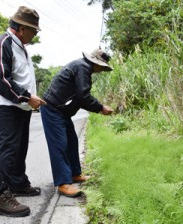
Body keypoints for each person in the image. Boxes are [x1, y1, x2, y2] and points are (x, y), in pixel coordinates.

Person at [0, 6, 46, 217]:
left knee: (19, 148)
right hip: (6, 106)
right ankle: (1, 196)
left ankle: (18, 184)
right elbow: (2, 80)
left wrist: (28, 101)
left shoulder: (20, 47)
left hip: (20, 106)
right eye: (33, 30)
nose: (35, 34)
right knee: (8, 149)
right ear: (21, 28)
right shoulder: (1, 44)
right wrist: (27, 97)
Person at [40, 48, 113, 197]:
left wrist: (98, 108)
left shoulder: (83, 67)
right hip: (52, 109)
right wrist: (100, 108)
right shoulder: (82, 67)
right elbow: (83, 95)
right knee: (59, 145)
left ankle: (74, 174)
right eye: (102, 67)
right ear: (96, 63)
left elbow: (81, 98)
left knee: (72, 142)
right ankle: (63, 183)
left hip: (62, 111)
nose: (101, 70)